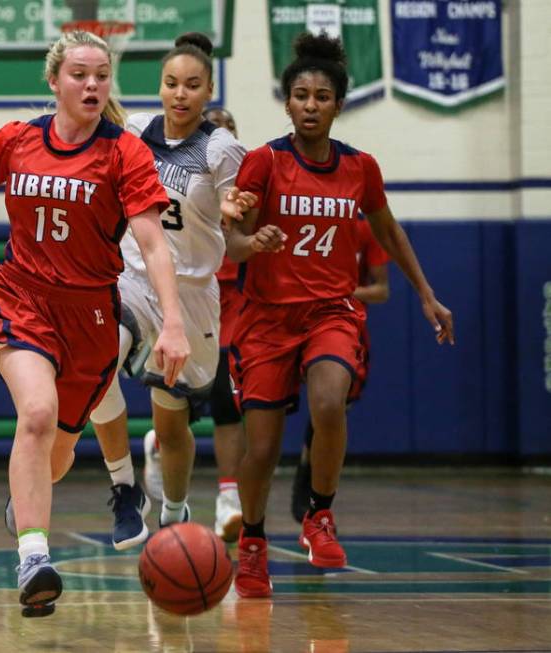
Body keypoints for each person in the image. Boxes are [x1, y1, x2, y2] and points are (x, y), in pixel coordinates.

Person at [0, 29, 190, 616]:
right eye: (79, 75)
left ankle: (30, 499)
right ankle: (34, 558)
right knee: (36, 413)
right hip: (22, 299)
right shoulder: (15, 140)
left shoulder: (125, 153)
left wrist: (171, 321)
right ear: (54, 81)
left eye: (101, 75)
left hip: (91, 316)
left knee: (58, 455)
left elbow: (152, 240)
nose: (92, 84)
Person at [224, 33, 454, 598]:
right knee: (262, 449)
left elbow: (388, 231)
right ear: (287, 103)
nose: (309, 104)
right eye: (300, 94)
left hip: (331, 311)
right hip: (266, 319)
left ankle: (318, 515)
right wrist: (253, 242)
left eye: (320, 96)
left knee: (329, 401)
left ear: (337, 105)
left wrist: (425, 292)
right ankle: (252, 542)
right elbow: (230, 239)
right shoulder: (264, 161)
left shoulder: (359, 168)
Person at [88, 33, 251, 550]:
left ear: (208, 93)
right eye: (171, 83)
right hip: (133, 280)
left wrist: (233, 211)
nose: (180, 94)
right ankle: (124, 488)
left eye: (193, 85)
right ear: (160, 87)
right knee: (95, 358)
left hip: (193, 295)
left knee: (173, 423)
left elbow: (238, 205)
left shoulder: (222, 148)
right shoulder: (134, 131)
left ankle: (175, 513)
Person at [142, 105, 247, 543]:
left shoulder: (242, 188)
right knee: (176, 415)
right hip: (182, 303)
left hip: (230, 315)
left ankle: (228, 497)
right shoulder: (176, 181)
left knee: (227, 406)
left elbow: (248, 246)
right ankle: (157, 446)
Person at [290, 215, 391, 522]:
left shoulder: (366, 229)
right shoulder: (301, 215)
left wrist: (342, 292)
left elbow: (382, 290)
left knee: (333, 406)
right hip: (295, 320)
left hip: (345, 326)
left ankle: (310, 476)